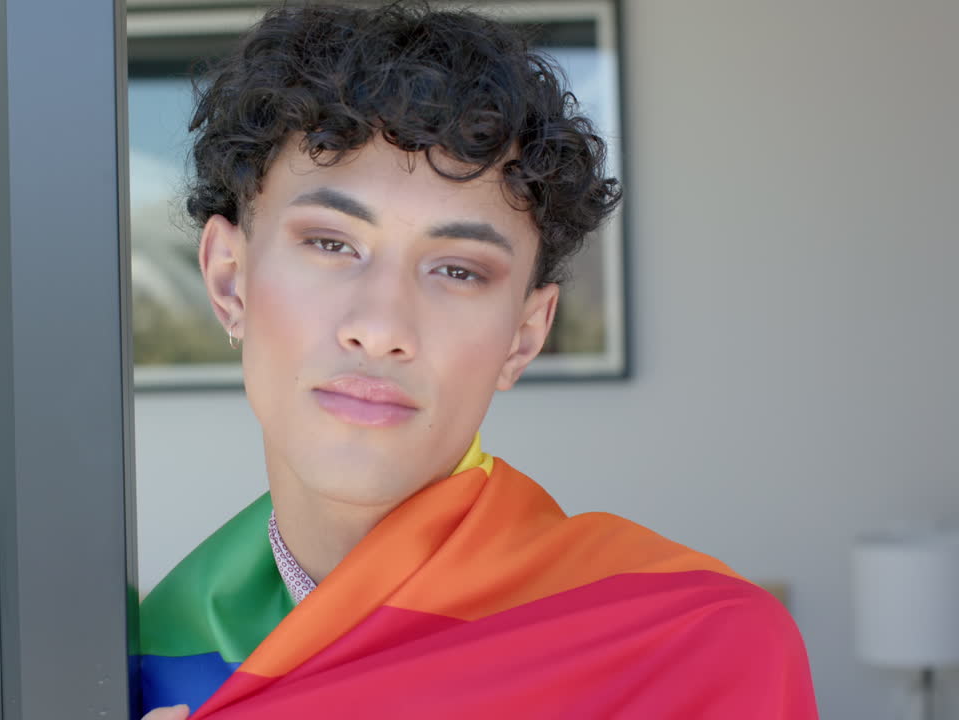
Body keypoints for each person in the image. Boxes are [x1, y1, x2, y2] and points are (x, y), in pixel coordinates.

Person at [139, 4, 818, 719]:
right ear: (227, 279)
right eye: (331, 244)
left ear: (523, 337)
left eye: (458, 270)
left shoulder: (690, 645)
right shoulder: (143, 658)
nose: (380, 328)